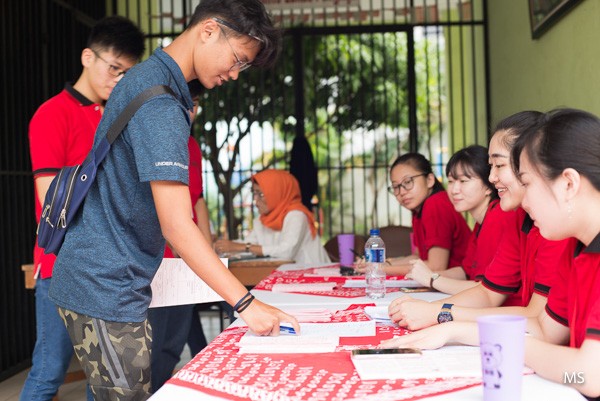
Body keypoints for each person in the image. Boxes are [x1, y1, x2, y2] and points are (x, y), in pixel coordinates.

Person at [48, 1, 300, 400]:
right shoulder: (160, 102)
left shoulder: (151, 79)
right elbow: (177, 224)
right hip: (104, 284)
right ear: (209, 30)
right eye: (236, 60)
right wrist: (246, 302)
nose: (234, 74)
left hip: (109, 278)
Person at [383, 108, 600, 399]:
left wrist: (497, 341)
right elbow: (545, 330)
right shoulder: (576, 247)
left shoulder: (565, 240)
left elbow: (588, 375)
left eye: (527, 182)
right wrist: (451, 329)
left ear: (569, 184)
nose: (524, 196)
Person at [23, 16, 145, 401]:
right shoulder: (51, 114)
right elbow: (49, 199)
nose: (117, 80)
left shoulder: (115, 119)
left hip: (110, 272)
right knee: (49, 371)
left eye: (126, 73)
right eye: (113, 68)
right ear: (87, 57)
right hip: (63, 264)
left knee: (104, 380)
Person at [384, 111, 577, 332]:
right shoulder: (518, 217)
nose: (492, 177)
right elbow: (487, 291)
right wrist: (432, 310)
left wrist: (440, 313)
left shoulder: (555, 228)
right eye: (451, 181)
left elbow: (543, 325)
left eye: (500, 166)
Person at [147, 80, 213, 393]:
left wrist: (207, 248)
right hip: (158, 260)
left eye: (196, 104)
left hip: (186, 259)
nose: (191, 111)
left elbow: (198, 200)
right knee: (153, 348)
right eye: (185, 103)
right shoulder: (154, 138)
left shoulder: (192, 146)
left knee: (173, 345)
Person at [406, 145, 506, 295]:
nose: (454, 190)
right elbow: (465, 272)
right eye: (451, 181)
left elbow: (484, 289)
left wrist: (432, 279)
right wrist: (427, 276)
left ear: (488, 185)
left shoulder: (497, 217)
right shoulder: (481, 222)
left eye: (463, 181)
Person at [357, 153, 471, 276]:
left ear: (429, 180)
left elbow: (436, 266)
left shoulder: (435, 204)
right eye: (396, 187)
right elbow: (418, 256)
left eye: (408, 182)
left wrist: (379, 269)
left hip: (462, 282)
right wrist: (385, 263)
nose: (402, 192)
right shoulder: (419, 210)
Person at [214, 169, 331, 265]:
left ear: (277, 192)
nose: (255, 200)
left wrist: (243, 247)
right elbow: (248, 243)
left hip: (313, 276)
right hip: (285, 277)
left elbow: (287, 251)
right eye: (254, 193)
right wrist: (222, 246)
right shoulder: (263, 220)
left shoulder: (296, 215)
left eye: (260, 194)